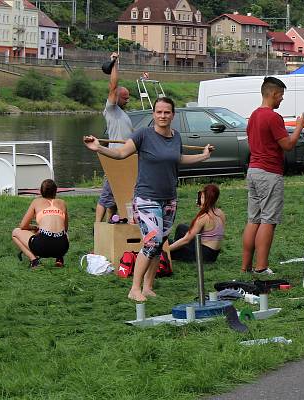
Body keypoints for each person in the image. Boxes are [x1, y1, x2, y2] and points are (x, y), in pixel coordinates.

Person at [83, 97, 213, 301]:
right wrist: (99, 148)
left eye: (167, 112)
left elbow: (178, 159)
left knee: (160, 244)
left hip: (169, 199)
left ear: (173, 115)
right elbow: (120, 154)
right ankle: (134, 289)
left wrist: (203, 156)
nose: (163, 116)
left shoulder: (176, 137)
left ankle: (148, 287)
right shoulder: (143, 134)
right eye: (159, 112)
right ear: (153, 114)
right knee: (151, 243)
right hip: (146, 198)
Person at [240, 77, 304, 275]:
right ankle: (261, 267)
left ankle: (246, 266)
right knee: (268, 220)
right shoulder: (272, 117)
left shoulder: (253, 115)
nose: (282, 100)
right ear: (273, 94)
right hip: (269, 173)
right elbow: (287, 145)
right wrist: (299, 127)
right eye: (281, 96)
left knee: (254, 219)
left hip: (253, 170)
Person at [96, 52, 133, 223]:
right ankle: (97, 225)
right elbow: (113, 85)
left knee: (117, 194)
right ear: (116, 97)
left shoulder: (123, 114)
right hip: (114, 159)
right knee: (107, 193)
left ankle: (112, 222)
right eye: (125, 98)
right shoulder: (111, 110)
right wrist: (114, 63)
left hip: (125, 159)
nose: (127, 100)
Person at [168, 184, 225, 263]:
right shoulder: (220, 212)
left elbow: (186, 240)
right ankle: (178, 248)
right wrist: (203, 207)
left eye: (201, 197)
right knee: (181, 228)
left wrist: (166, 250)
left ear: (205, 199)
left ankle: (174, 251)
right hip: (214, 253)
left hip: (204, 256)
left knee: (167, 243)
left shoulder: (203, 217)